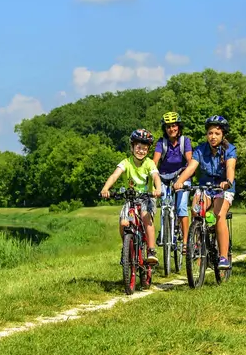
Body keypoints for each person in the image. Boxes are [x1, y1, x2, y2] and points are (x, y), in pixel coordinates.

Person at [173, 115, 236, 269]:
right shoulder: (201, 149)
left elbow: (230, 167)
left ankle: (223, 257)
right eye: (210, 133)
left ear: (223, 135)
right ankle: (198, 243)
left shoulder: (230, 149)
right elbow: (191, 167)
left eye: (216, 133)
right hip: (206, 187)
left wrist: (227, 182)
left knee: (219, 215)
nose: (213, 136)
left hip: (223, 188)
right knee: (195, 210)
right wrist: (179, 181)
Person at [101, 129, 162, 265]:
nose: (141, 151)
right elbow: (115, 175)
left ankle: (151, 251)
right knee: (124, 223)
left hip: (147, 197)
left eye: (145, 149)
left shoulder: (149, 163)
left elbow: (155, 176)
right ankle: (127, 249)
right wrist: (106, 188)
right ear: (132, 147)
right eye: (138, 148)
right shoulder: (126, 162)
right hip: (131, 199)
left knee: (146, 218)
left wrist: (158, 189)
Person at [152, 111, 193, 247]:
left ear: (179, 127)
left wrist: (183, 179)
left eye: (174, 126)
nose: (171, 129)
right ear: (165, 129)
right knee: (165, 206)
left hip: (181, 176)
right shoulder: (161, 142)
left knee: (181, 208)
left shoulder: (184, 141)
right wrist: (152, 175)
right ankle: (164, 235)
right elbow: (155, 161)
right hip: (164, 178)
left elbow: (189, 160)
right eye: (168, 126)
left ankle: (186, 242)